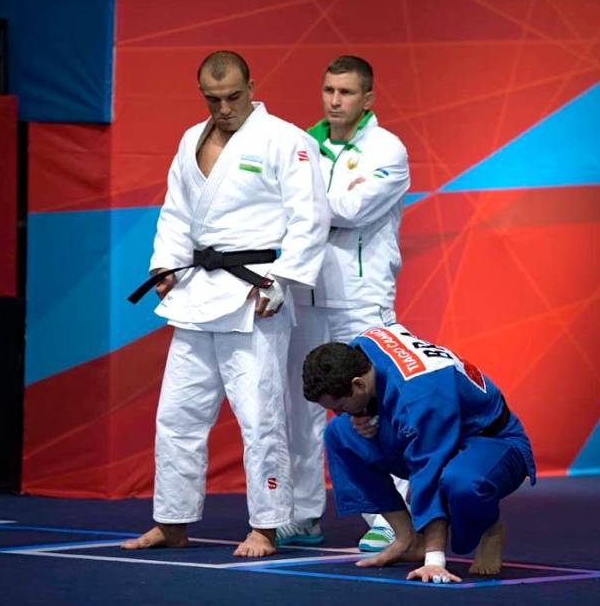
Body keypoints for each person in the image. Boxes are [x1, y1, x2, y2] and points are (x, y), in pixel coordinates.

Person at [122, 50, 330, 557]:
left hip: (253, 293)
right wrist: (165, 265)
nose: (224, 107)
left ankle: (267, 524)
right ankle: (172, 520)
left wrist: (283, 280)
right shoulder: (190, 139)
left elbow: (310, 217)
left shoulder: (286, 140)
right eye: (213, 99)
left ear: (252, 87)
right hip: (196, 293)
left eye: (234, 97)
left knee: (260, 417)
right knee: (177, 416)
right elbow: (176, 210)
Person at [276, 55, 411, 552]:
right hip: (306, 297)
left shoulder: (387, 149)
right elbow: (284, 209)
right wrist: (305, 206)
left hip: (362, 299)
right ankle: (302, 513)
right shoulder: (302, 147)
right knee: (303, 405)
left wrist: (301, 205)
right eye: (329, 89)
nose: (336, 100)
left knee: (371, 408)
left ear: (368, 98)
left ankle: (388, 517)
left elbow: (353, 211)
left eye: (347, 92)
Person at [301, 325, 536, 583]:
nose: (341, 412)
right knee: (340, 434)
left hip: (493, 440)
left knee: (459, 482)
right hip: (440, 425)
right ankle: (406, 538)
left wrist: (434, 561)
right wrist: (363, 411)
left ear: (358, 385)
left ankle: (489, 529)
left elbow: (428, 471)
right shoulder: (362, 347)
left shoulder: (420, 399)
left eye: (341, 406)